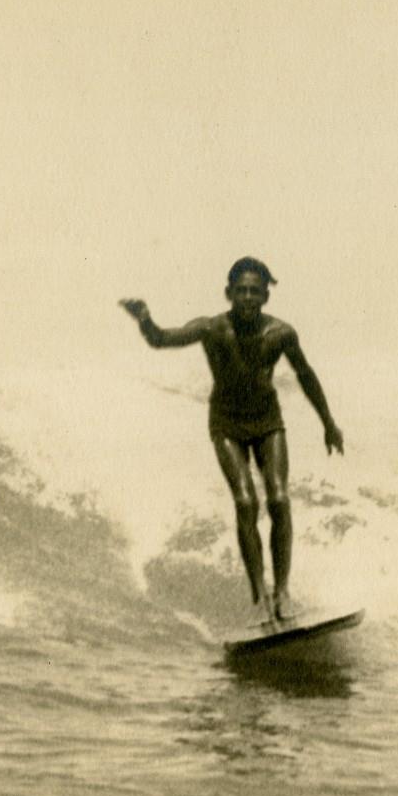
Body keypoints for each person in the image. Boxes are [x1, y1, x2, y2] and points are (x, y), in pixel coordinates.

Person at [120, 257, 344, 624]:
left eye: (255, 291)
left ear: (266, 296)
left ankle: (283, 592)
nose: (247, 297)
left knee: (279, 499)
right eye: (240, 290)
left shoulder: (281, 333)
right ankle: (259, 598)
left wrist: (328, 423)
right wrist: (144, 317)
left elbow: (305, 374)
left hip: (268, 422)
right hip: (226, 424)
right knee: (245, 502)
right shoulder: (212, 329)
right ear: (228, 293)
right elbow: (162, 339)